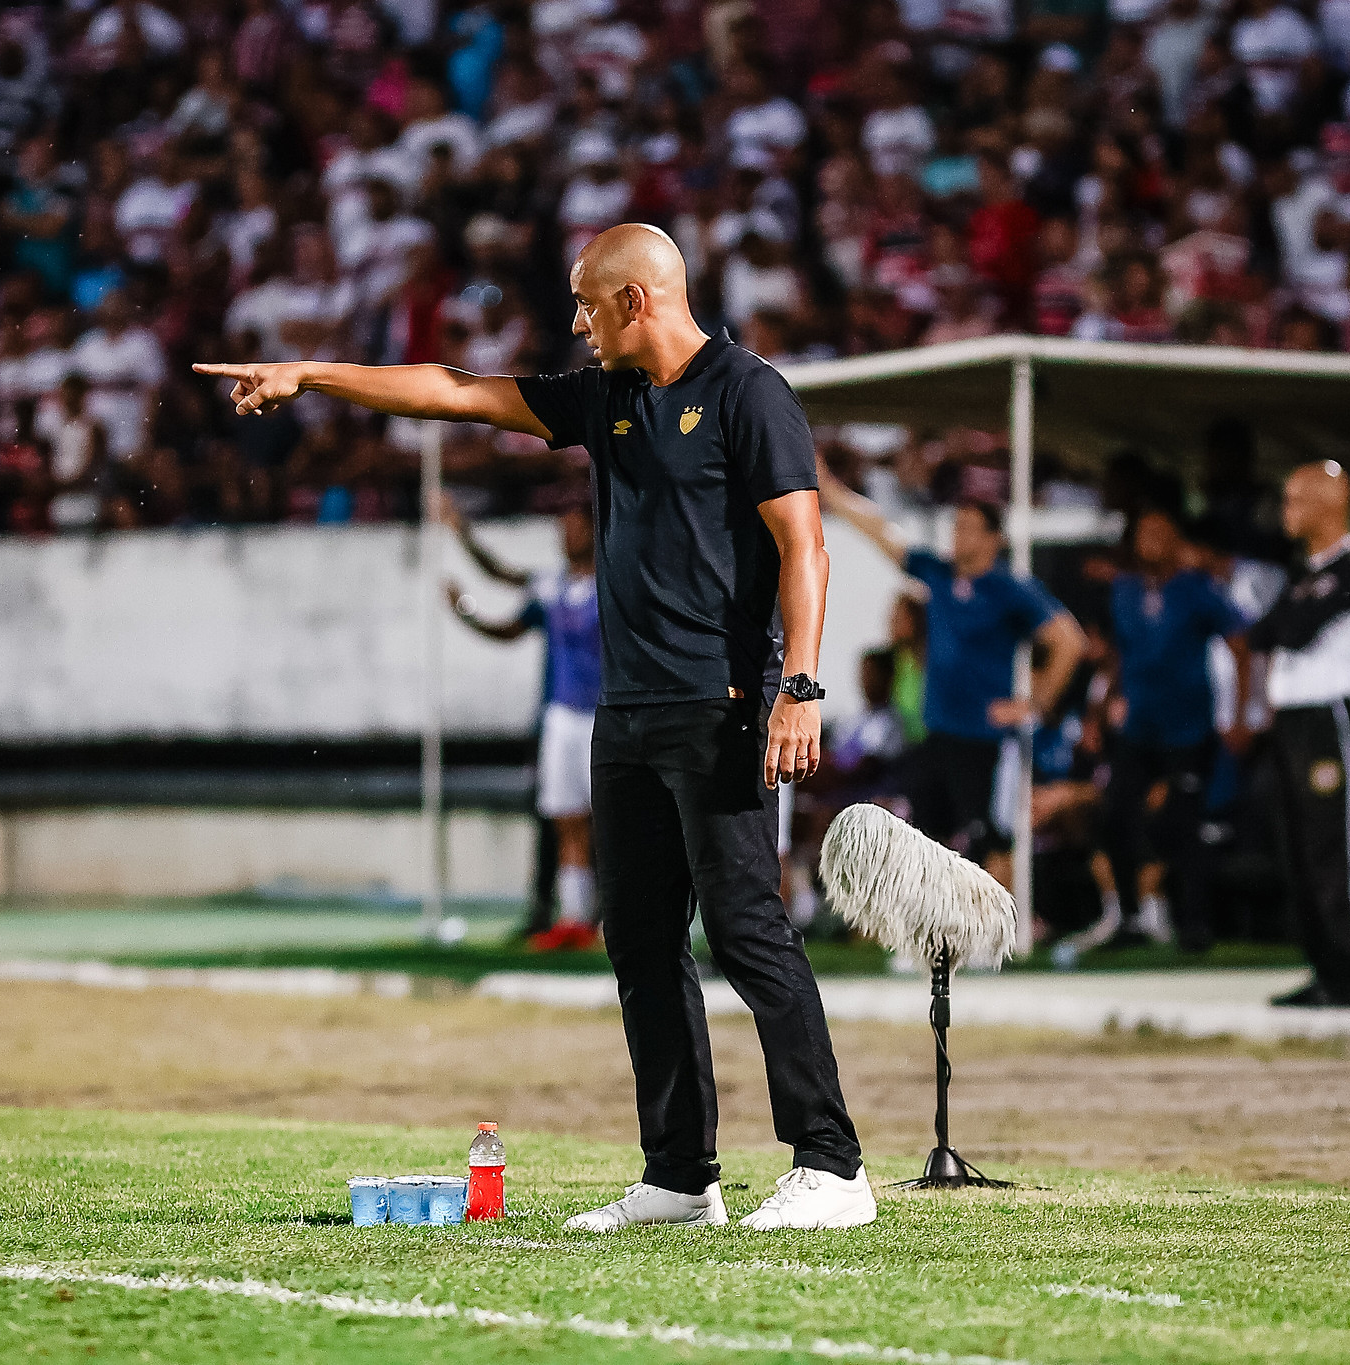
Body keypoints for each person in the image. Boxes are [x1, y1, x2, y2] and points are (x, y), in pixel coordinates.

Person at [196, 222, 874, 1233]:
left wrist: (800, 687)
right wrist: (312, 375)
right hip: (626, 713)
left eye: (584, 302)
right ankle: (682, 1179)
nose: (574, 322)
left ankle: (832, 1168)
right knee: (640, 943)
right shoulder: (605, 399)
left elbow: (804, 546)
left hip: (722, 704)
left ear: (634, 301)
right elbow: (455, 388)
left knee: (745, 932)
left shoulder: (748, 392)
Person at [818, 471, 1087, 893]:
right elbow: (879, 530)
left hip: (984, 738)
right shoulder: (938, 575)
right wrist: (828, 486)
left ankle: (995, 933)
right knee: (924, 838)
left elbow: (1068, 640)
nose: (956, 535)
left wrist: (1036, 703)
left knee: (989, 837)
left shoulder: (1009, 588)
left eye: (966, 528)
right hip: (938, 730)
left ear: (993, 538)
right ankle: (935, 933)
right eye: (955, 526)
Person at [441, 497, 604, 952]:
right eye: (562, 527)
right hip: (560, 718)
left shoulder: (612, 585)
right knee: (566, 819)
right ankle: (573, 918)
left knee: (608, 823)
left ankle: (607, 916)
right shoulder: (550, 587)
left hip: (602, 716)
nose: (565, 536)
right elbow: (501, 583)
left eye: (573, 527)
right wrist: (466, 608)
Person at [1087, 508, 1252, 954]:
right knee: (1116, 817)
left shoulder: (1198, 590)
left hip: (1188, 728)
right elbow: (1119, 655)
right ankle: (1129, 917)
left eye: (1162, 533)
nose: (1152, 542)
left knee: (1184, 824)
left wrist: (1240, 714)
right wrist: (1101, 710)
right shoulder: (1123, 592)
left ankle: (1194, 924)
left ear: (1177, 541)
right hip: (1138, 726)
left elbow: (1241, 646)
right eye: (1145, 532)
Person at [1250, 462, 1350, 1009]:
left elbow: (1293, 631)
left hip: (1329, 719)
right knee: (1298, 849)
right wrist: (1291, 615)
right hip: (1291, 720)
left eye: (1296, 498)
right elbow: (1263, 632)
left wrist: (1291, 617)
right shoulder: (1303, 573)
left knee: (1332, 848)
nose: (1287, 510)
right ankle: (1323, 969)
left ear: (1329, 502)